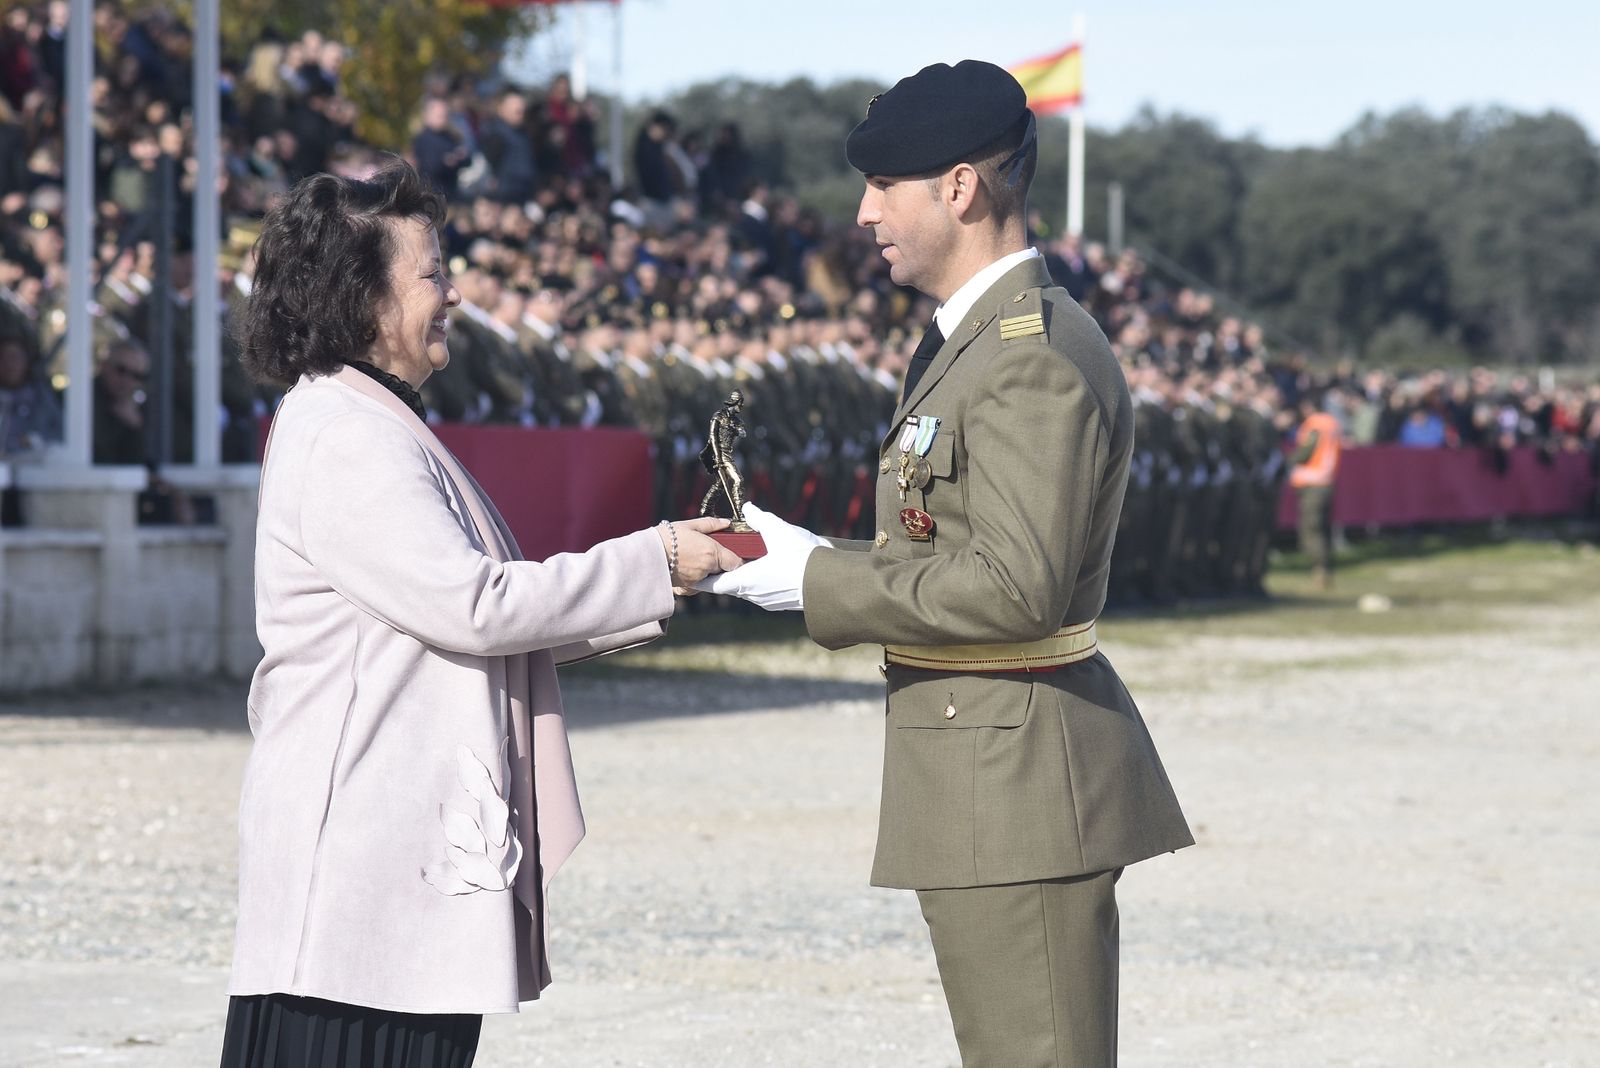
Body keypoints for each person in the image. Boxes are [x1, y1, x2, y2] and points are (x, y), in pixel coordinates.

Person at [702, 61, 1192, 1067]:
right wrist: (811, 557)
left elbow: (1016, 587)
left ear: (960, 187)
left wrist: (815, 582)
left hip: (1016, 781)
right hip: (987, 772)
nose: (864, 212)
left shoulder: (1026, 353)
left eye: (885, 186)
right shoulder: (975, 341)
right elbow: (954, 548)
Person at [222, 159, 738, 1068]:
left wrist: (667, 576)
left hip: (382, 854)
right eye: (432, 274)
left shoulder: (372, 418)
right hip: (359, 864)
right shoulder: (347, 433)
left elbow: (481, 610)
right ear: (360, 297)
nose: (453, 293)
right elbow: (476, 607)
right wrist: (652, 560)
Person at [1289, 391, 1342, 589]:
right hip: (1327, 480)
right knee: (1323, 528)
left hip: (1312, 482)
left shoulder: (1315, 425)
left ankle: (1320, 569)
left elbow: (1307, 451)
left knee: (1311, 528)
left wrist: (1288, 460)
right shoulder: (1332, 423)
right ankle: (1326, 567)